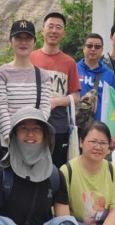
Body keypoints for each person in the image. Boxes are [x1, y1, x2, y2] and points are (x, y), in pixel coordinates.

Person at [0, 20, 51, 163]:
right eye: (18, 38)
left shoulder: (43, 76)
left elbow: (45, 108)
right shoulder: (1, 73)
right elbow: (2, 108)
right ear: (10, 41)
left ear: (34, 42)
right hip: (6, 144)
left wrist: (33, 136)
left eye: (28, 38)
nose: (23, 42)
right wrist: (12, 138)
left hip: (33, 144)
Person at [30, 12, 82, 168]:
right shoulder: (30, 58)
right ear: (42, 30)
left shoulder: (69, 62)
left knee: (56, 171)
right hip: (32, 125)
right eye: (50, 26)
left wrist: (56, 102)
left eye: (58, 27)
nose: (54, 31)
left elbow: (76, 96)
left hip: (59, 127)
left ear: (64, 33)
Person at [77, 34, 115, 122]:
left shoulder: (109, 74)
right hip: (75, 123)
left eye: (97, 47)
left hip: (99, 125)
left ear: (102, 50)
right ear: (83, 48)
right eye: (89, 46)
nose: (93, 49)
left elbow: (113, 103)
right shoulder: (74, 69)